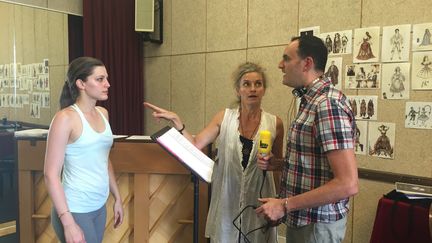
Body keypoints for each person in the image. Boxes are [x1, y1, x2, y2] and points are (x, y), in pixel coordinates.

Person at [144, 62, 284, 243]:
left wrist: (280, 200)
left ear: (264, 89)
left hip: (259, 202)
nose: (253, 89)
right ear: (237, 90)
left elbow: (280, 166)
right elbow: (196, 143)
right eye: (246, 84)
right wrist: (177, 121)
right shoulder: (223, 118)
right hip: (227, 200)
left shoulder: (275, 123)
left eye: (258, 84)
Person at [255, 35, 358, 243]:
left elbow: (348, 183)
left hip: (316, 226)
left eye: (286, 58)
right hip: (305, 222)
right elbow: (316, 165)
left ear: (307, 63)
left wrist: (284, 205)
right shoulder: (310, 101)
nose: (280, 65)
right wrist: (280, 164)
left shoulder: (326, 105)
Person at [44, 57, 124, 243]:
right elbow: (50, 174)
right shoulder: (65, 118)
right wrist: (68, 223)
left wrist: (117, 197)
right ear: (81, 83)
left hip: (98, 206)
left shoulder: (103, 114)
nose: (107, 84)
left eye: (106, 78)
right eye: (100, 79)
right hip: (75, 209)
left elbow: (104, 160)